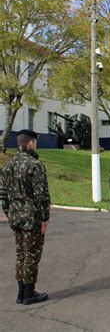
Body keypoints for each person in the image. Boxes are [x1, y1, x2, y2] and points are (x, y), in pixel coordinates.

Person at [1, 130, 50, 305]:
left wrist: (10, 214)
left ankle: (21, 293)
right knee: (32, 255)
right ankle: (29, 293)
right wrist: (45, 218)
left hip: (16, 218)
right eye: (34, 142)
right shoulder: (34, 165)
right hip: (32, 218)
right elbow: (41, 195)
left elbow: (3, 195)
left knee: (20, 254)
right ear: (30, 143)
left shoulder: (8, 165)